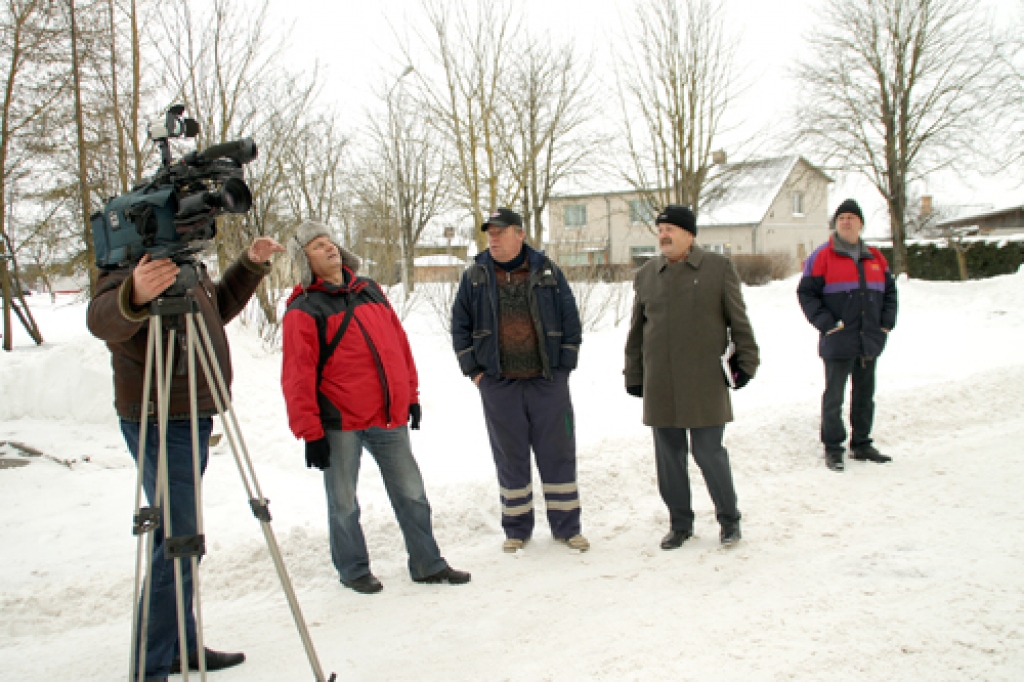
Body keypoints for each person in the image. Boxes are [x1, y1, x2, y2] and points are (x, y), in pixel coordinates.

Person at [88, 236, 284, 682]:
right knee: (179, 540)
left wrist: (249, 265)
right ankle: (152, 666)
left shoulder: (182, 264)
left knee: (181, 537)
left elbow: (215, 311)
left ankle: (180, 645)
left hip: (192, 411)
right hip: (158, 416)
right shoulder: (127, 260)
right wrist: (133, 294)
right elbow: (101, 320)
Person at [281, 220, 469, 594]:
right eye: (317, 246)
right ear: (304, 260)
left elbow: (398, 345)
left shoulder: (370, 290)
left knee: (412, 494)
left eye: (329, 241)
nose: (328, 247)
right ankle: (353, 570)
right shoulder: (304, 308)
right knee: (343, 504)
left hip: (387, 417)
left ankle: (428, 564)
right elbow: (297, 376)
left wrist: (410, 396)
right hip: (340, 422)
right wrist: (310, 432)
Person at [451, 207, 588, 554]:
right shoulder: (475, 276)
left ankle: (567, 528)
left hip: (546, 382)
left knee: (558, 454)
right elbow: (459, 327)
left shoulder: (547, 271)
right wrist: (475, 373)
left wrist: (563, 368)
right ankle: (516, 529)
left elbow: (570, 320)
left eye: (500, 232)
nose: (493, 238)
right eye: (489, 233)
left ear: (520, 234)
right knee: (510, 459)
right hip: (500, 385)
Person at [624, 205, 759, 549]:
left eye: (670, 229)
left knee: (708, 452)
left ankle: (729, 520)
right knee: (669, 458)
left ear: (689, 234)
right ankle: (680, 524)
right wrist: (634, 372)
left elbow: (739, 320)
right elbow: (637, 331)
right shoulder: (647, 274)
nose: (663, 236)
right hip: (661, 382)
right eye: (660, 230)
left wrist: (747, 360)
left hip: (704, 380)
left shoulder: (717, 268)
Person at [797, 198, 898, 472]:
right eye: (841, 218)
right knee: (834, 397)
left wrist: (885, 323)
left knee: (865, 395)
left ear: (860, 223)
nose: (846, 221)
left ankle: (862, 443)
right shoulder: (822, 256)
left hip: (869, 339)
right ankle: (833, 448)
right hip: (838, 338)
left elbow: (890, 293)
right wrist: (827, 324)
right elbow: (806, 294)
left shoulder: (875, 257)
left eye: (851, 217)